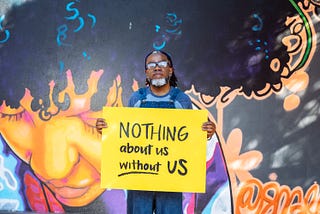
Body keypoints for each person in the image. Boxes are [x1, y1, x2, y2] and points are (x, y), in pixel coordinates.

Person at [96, 50, 216, 214]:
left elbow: (191, 140)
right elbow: (126, 136)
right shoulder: (136, 99)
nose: (157, 67)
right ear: (146, 72)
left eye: (162, 64)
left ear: (170, 70)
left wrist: (206, 133)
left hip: (171, 177)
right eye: (151, 65)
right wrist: (107, 129)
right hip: (140, 177)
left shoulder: (181, 100)